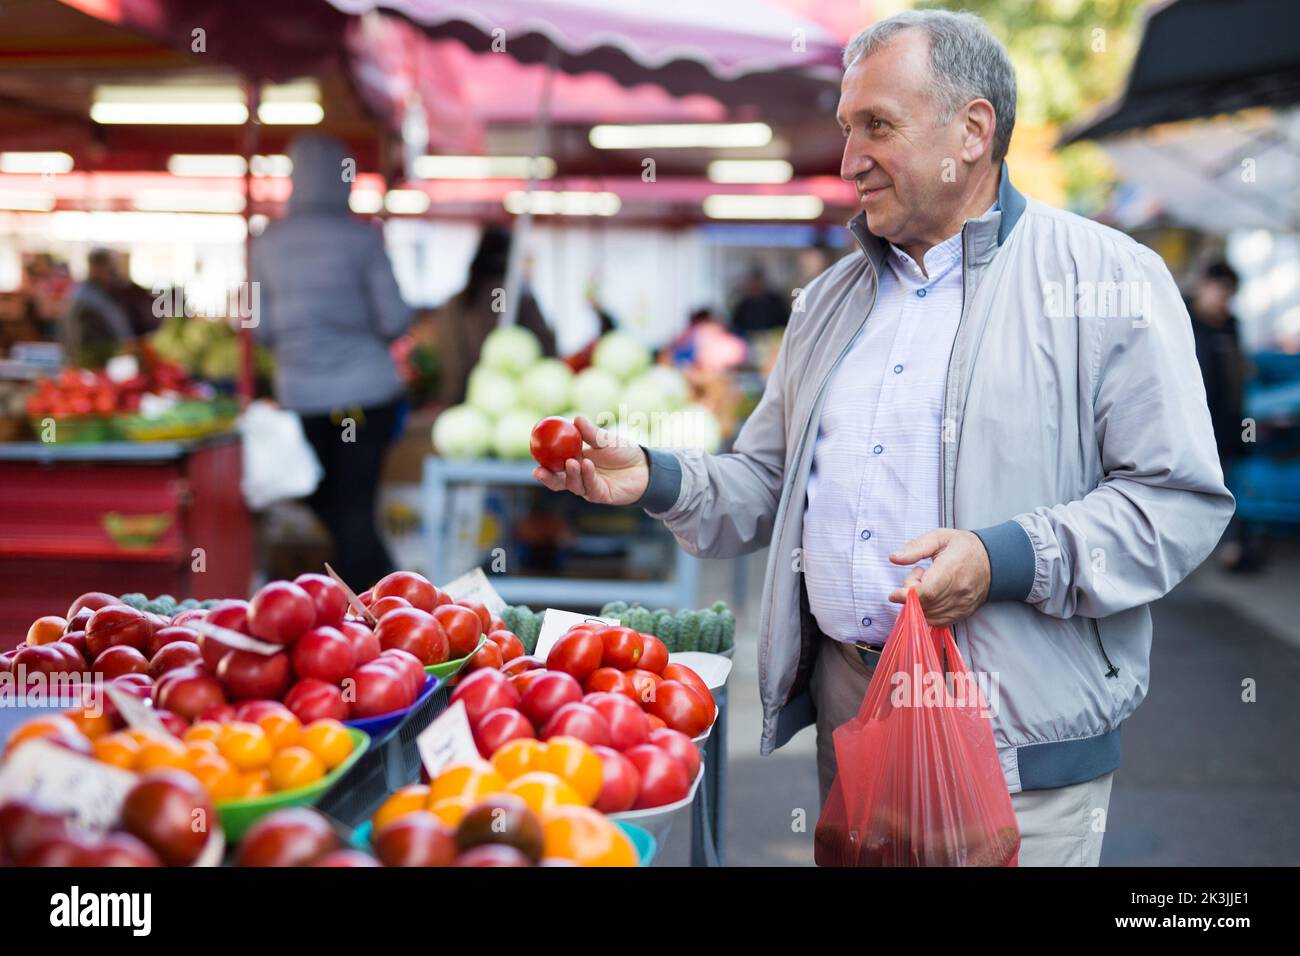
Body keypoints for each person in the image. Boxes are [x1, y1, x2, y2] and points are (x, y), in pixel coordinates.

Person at [533, 10, 1233, 866]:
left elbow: (1176, 502)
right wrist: (651, 477)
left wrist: (1001, 557)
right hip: (856, 730)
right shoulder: (828, 302)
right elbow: (770, 483)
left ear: (973, 130)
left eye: (878, 126)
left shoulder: (1109, 278)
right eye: (845, 128)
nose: (848, 159)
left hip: (1019, 758)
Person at [252, 135, 411, 589]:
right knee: (355, 511)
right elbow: (395, 319)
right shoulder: (362, 239)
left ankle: (370, 611)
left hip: (303, 401)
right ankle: (391, 610)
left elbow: (258, 328)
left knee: (333, 506)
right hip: (368, 397)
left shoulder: (267, 244)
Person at [1187, 260, 1258, 570]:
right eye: (1220, 291)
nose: (1223, 299)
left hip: (1230, 422)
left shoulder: (1232, 326)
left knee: (1233, 480)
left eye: (1229, 293)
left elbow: (1241, 385)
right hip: (1190, 422)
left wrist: (1248, 432)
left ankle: (1231, 546)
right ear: (1204, 285)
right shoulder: (1182, 320)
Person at [436, 225, 557, 406]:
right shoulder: (516, 297)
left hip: (468, 403)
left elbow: (453, 364)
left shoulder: (457, 302)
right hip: (514, 405)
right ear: (511, 256)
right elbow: (547, 346)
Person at [62, 249, 135, 364]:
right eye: (111, 270)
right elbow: (84, 346)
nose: (114, 275)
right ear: (97, 267)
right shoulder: (86, 299)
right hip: (92, 368)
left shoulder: (96, 294)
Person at [729, 264, 788, 337]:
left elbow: (785, 323)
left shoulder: (776, 302)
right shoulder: (743, 305)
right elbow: (736, 327)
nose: (755, 286)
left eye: (757, 282)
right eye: (752, 283)